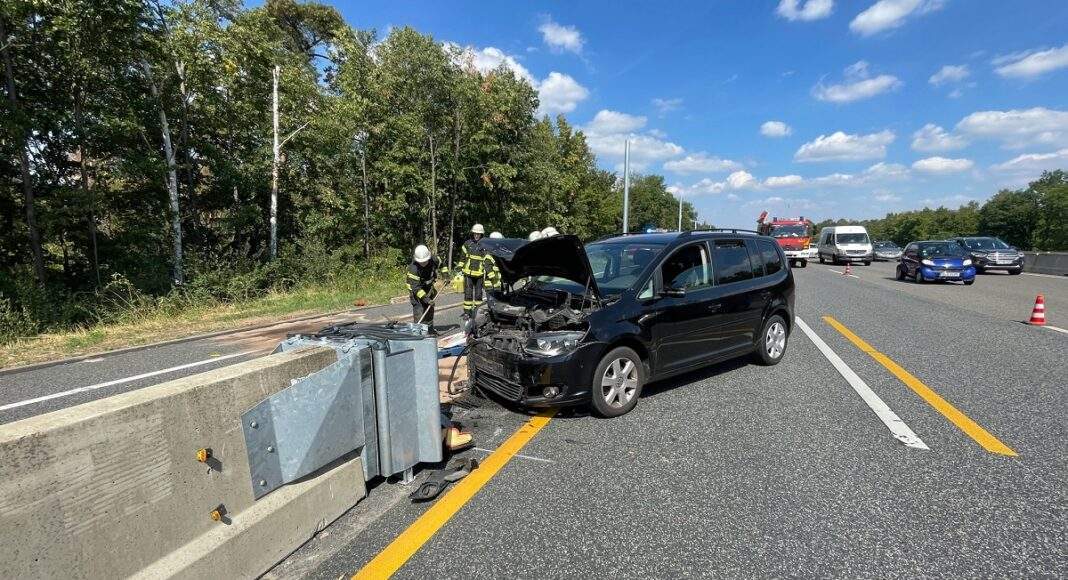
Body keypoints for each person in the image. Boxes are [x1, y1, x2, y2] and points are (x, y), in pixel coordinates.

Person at [407, 244, 441, 334]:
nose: (423, 263)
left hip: (429, 288)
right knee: (420, 311)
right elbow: (416, 288)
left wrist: (446, 274)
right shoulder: (413, 269)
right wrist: (426, 299)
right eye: (421, 262)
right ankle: (419, 334)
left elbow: (442, 264)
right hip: (416, 293)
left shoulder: (433, 259)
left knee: (429, 311)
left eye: (425, 261)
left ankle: (429, 331)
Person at [459, 224, 487, 318]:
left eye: (478, 234)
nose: (476, 235)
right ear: (473, 233)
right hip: (468, 273)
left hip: (479, 274)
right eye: (475, 233)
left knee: (478, 295)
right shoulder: (467, 244)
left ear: (481, 234)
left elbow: (487, 260)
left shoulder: (485, 245)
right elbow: (462, 258)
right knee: (468, 294)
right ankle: (467, 312)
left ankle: (477, 312)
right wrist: (459, 268)